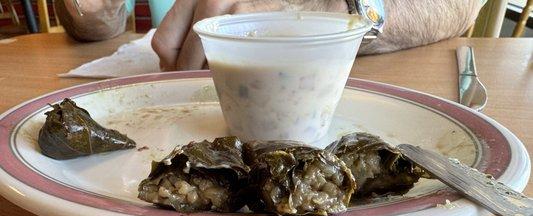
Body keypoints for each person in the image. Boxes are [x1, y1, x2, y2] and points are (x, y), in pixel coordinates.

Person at [57, 0, 485, 70]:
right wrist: (87, 10)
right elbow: (97, 24)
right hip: (174, 87)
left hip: (376, 83)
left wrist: (320, 17)